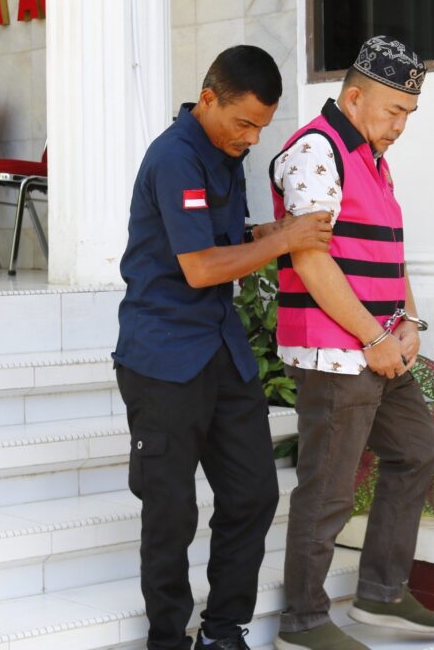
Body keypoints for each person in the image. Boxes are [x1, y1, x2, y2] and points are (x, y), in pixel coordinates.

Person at [114, 45, 334, 650]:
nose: (252, 138)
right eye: (244, 124)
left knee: (253, 492)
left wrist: (264, 232)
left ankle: (223, 630)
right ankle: (167, 639)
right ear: (208, 99)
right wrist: (283, 239)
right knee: (171, 510)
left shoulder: (225, 150)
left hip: (219, 347)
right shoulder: (175, 157)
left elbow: (219, 236)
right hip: (163, 355)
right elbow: (201, 267)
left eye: (262, 127)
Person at [271, 36, 434, 650]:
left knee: (416, 451)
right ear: (353, 98)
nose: (400, 126)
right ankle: (302, 622)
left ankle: (381, 593)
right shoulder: (315, 152)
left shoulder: (370, 156)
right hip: (335, 351)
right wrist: (374, 334)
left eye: (408, 114)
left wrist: (408, 322)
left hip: (378, 347)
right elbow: (310, 258)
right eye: (393, 110)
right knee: (328, 488)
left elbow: (389, 251)